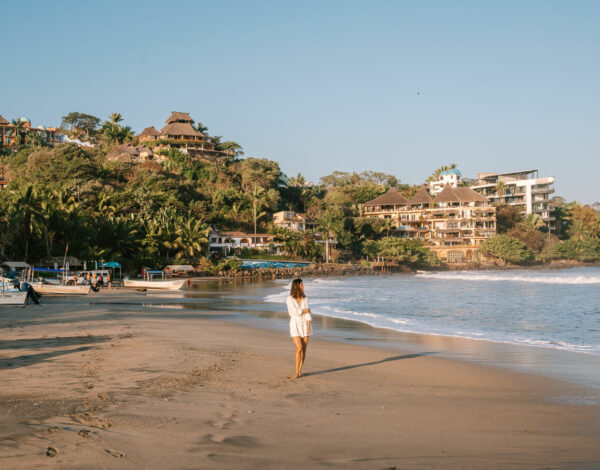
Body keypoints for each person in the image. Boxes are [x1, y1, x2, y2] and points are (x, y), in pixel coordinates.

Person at [286, 278, 312, 379]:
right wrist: (304, 310)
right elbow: (293, 312)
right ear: (297, 286)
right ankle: (296, 372)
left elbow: (308, 313)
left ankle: (300, 370)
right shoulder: (289, 299)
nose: (303, 286)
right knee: (299, 348)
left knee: (304, 350)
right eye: (301, 285)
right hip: (295, 325)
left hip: (305, 325)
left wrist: (309, 326)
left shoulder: (305, 298)